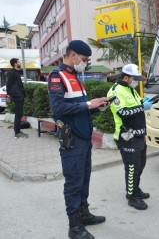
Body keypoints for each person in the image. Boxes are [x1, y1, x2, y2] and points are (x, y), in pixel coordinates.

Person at [48, 40, 108, 239]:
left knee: (84, 178)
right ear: (72, 55)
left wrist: (97, 106)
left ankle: (83, 213)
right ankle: (74, 226)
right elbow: (59, 109)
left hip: (83, 136)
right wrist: (89, 104)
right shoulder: (57, 77)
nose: (85, 63)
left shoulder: (75, 77)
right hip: (71, 138)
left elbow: (80, 108)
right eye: (84, 59)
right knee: (74, 181)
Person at [107, 63, 153, 210]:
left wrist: (143, 102)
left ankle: (135, 189)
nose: (136, 81)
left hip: (139, 135)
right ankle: (131, 196)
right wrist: (141, 107)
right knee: (132, 168)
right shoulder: (114, 91)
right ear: (126, 77)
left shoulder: (130, 90)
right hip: (126, 136)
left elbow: (135, 105)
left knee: (140, 165)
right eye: (134, 78)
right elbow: (123, 113)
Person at [6, 58, 28, 138]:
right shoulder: (11, 72)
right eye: (18, 62)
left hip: (19, 95)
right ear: (15, 63)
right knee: (19, 113)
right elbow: (8, 84)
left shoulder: (16, 72)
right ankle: (17, 132)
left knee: (19, 113)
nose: (19, 63)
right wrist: (8, 95)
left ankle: (17, 130)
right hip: (16, 95)